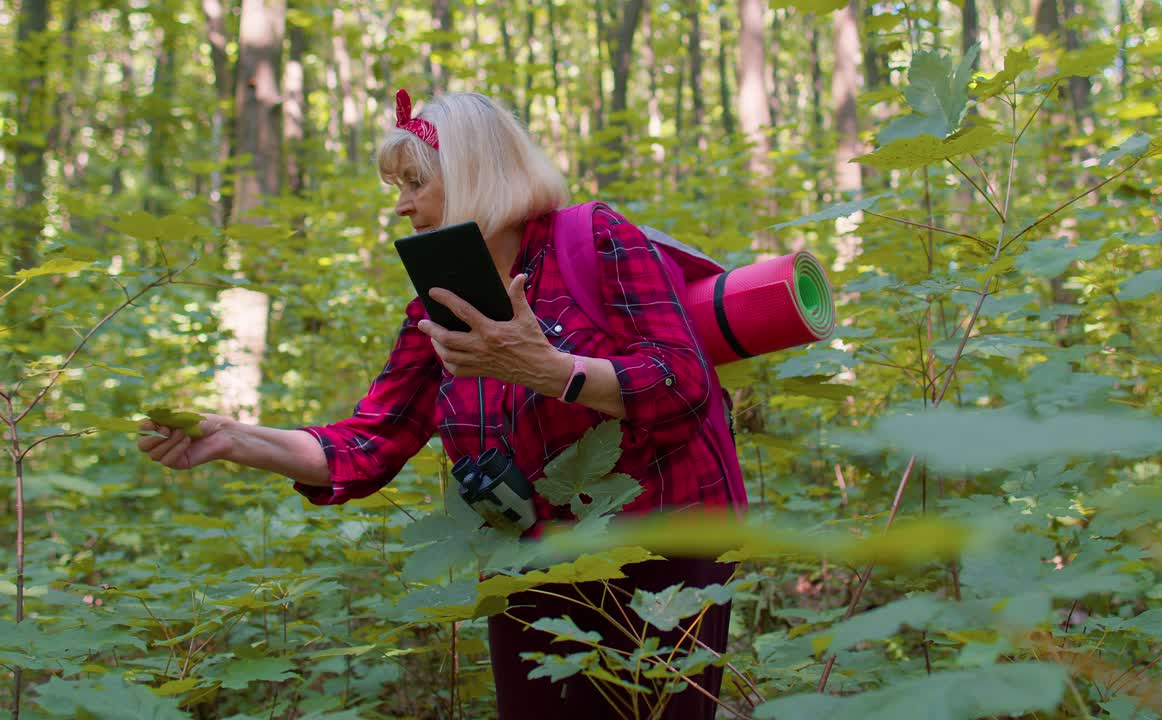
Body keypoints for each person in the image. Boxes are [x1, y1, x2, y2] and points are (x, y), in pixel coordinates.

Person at [138, 89, 747, 719]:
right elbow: (367, 444)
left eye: (415, 181)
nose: (401, 204)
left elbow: (682, 381)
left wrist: (549, 370)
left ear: (474, 172)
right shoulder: (439, 306)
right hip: (527, 563)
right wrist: (234, 440)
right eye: (396, 186)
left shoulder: (592, 238)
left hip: (661, 546)